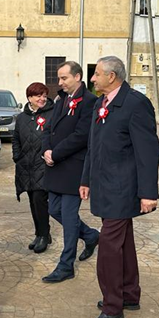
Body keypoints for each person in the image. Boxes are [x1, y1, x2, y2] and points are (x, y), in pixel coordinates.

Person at [79, 56, 159, 318]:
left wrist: (148, 193)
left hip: (124, 189)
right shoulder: (100, 104)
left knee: (109, 248)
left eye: (97, 74)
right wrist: (86, 179)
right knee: (123, 243)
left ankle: (113, 307)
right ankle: (129, 294)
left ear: (112, 76)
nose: (93, 79)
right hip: (104, 185)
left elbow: (148, 151)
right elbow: (93, 144)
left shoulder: (136, 104)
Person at [41, 60, 99, 283]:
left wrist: (55, 153)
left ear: (77, 77)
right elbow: (49, 127)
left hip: (74, 168)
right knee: (54, 210)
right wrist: (47, 149)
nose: (60, 82)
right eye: (59, 78)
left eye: (64, 78)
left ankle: (66, 265)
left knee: (68, 215)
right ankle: (91, 235)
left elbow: (82, 136)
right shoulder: (61, 99)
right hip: (55, 167)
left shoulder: (90, 102)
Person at [13, 82, 54, 253]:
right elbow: (16, 139)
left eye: (44, 95)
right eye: (38, 95)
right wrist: (17, 157)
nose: (42, 98)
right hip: (25, 167)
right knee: (32, 201)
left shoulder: (52, 114)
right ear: (29, 97)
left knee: (40, 200)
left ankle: (45, 235)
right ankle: (39, 233)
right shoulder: (22, 117)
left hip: (42, 166)